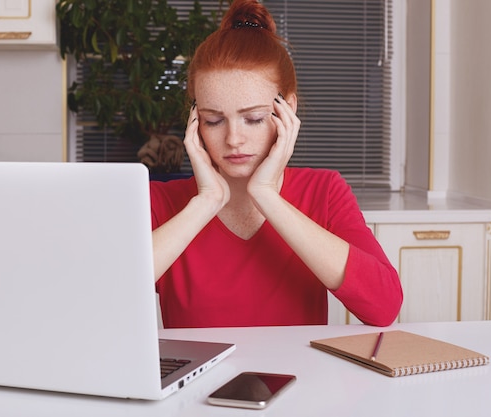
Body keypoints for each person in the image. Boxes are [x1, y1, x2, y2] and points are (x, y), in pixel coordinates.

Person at [150, 0, 402, 328]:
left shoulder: (324, 191)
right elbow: (100, 299)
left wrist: (267, 195)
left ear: (287, 110)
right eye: (214, 121)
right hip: (201, 382)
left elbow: (383, 307)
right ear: (194, 121)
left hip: (300, 380)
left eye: (253, 118)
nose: (233, 139)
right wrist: (206, 202)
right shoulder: (162, 202)